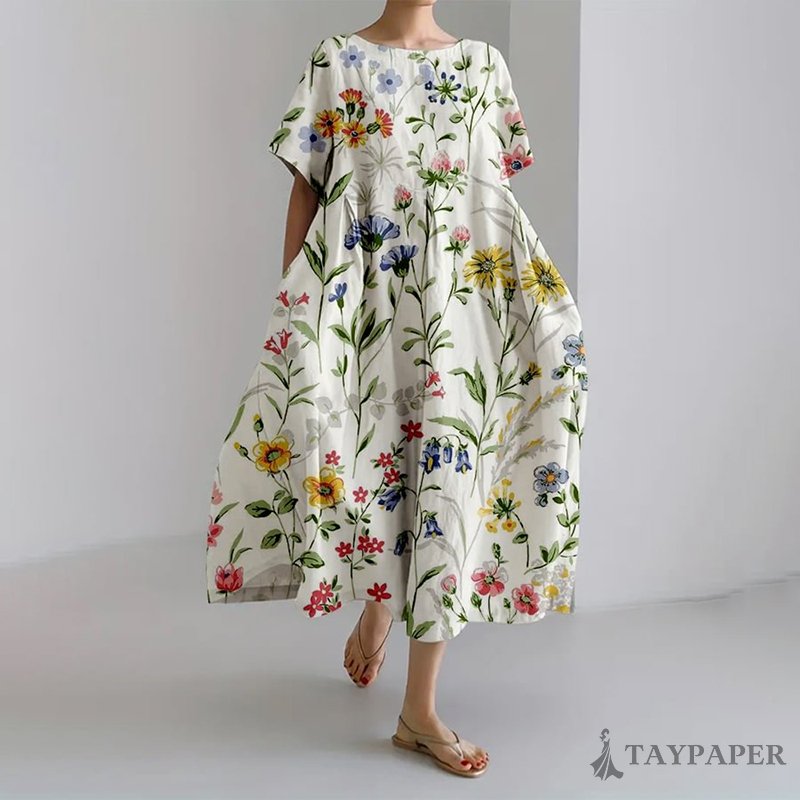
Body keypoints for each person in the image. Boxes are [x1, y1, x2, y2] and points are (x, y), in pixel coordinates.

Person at [206, 0, 588, 778]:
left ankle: (419, 709)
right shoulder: (337, 60)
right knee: (374, 461)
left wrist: (537, 311)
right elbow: (307, 189)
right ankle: (382, 601)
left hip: (456, 311)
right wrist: (296, 307)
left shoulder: (482, 66)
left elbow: (492, 198)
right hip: (363, 306)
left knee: (445, 476)